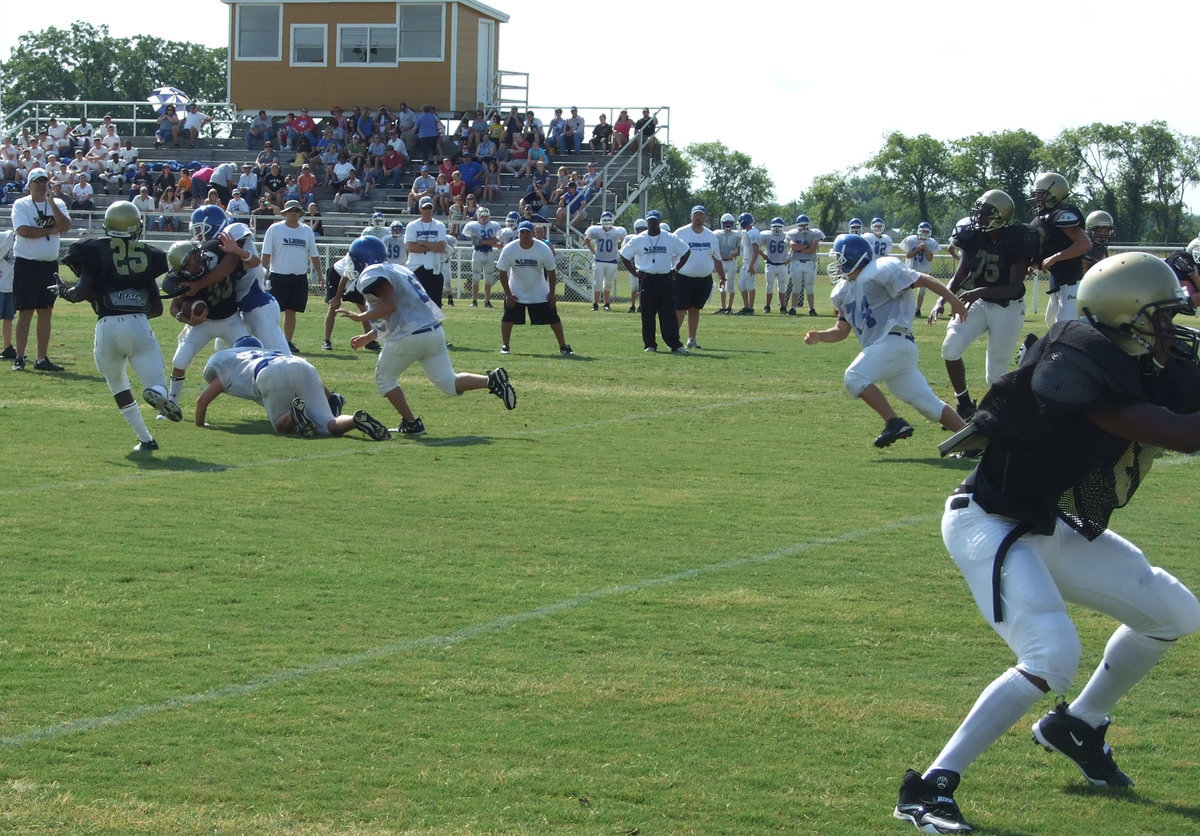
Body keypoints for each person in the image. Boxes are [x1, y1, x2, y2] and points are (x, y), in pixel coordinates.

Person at [895, 253, 1200, 836]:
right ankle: (928, 788)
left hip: (1040, 521)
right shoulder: (1076, 368)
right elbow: (1183, 432)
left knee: (1173, 612)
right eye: (1160, 316)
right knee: (1050, 654)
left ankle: (1079, 724)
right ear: (1125, 314)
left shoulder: (1132, 358)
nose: (1170, 328)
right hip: (988, 522)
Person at [336, 236, 517, 435]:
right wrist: (369, 336)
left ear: (362, 259)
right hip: (433, 332)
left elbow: (390, 305)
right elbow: (401, 311)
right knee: (449, 382)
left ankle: (412, 423)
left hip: (409, 337)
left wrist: (360, 316)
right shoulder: (399, 269)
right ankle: (491, 380)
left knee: (384, 379)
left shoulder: (370, 274)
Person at [805, 233, 968, 448]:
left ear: (853, 257)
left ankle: (893, 422)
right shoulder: (842, 290)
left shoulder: (880, 269)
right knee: (930, 406)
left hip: (894, 341)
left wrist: (954, 301)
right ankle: (977, 441)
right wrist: (821, 336)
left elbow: (924, 280)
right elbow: (842, 330)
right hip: (890, 354)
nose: (836, 263)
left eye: (840, 258)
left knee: (854, 377)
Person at [53, 202, 178, 451]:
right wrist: (131, 307)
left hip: (106, 326)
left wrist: (63, 291)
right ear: (135, 227)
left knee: (118, 385)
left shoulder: (93, 250)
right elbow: (156, 309)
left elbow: (79, 293)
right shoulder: (149, 255)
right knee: (157, 381)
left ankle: (145, 439)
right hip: (137, 324)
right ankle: (156, 393)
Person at [932, 190, 1039, 421]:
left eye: (985, 212)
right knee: (950, 348)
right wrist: (943, 299)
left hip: (1007, 308)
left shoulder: (1016, 239)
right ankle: (964, 405)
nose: (978, 217)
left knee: (995, 377)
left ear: (1000, 215)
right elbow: (960, 275)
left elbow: (1014, 286)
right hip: (978, 303)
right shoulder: (974, 237)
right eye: (979, 211)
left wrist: (978, 291)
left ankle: (1000, 418)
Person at [196, 336, 390, 440]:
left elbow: (202, 401)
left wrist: (200, 423)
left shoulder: (231, 361)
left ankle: (293, 413)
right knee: (328, 424)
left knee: (282, 426)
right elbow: (323, 389)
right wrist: (330, 398)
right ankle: (355, 421)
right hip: (300, 364)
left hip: (268, 373)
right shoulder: (271, 351)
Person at [163, 219, 253, 409]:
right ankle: (171, 402)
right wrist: (186, 319)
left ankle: (262, 395)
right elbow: (174, 308)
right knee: (180, 359)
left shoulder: (215, 252)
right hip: (203, 323)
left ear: (198, 252)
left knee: (252, 354)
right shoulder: (183, 280)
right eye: (188, 265)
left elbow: (228, 267)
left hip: (230, 319)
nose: (194, 265)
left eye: (194, 258)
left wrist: (198, 285)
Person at [10, 167, 70, 372]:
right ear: (30, 185)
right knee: (25, 311)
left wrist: (52, 202)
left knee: (46, 310)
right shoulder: (21, 204)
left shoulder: (58, 203)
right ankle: (19, 357)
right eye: (37, 181)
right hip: (27, 263)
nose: (41, 185)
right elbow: (24, 231)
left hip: (49, 265)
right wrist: (51, 230)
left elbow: (66, 225)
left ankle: (42, 358)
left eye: (44, 181)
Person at [495, 220, 575, 357]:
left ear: (532, 234)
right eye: (522, 232)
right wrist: (508, 294)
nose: (525, 235)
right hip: (516, 291)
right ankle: (505, 345)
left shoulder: (543, 248)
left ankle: (563, 346)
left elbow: (551, 271)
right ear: (518, 233)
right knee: (507, 318)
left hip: (539, 291)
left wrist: (552, 293)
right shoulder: (509, 249)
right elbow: (502, 272)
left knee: (553, 318)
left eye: (528, 232)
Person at [620, 210, 690, 354]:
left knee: (669, 314)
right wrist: (635, 272)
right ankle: (650, 344)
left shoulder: (670, 237)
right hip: (647, 279)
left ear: (659, 222)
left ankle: (675, 344)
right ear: (647, 223)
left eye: (655, 222)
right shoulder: (638, 239)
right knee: (647, 314)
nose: (653, 224)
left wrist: (675, 269)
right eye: (650, 222)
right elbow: (624, 256)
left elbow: (686, 251)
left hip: (665, 278)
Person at [1030, 172, 1091, 324]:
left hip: (1071, 283)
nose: (1037, 198)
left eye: (1040, 194)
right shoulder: (1044, 218)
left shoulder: (1062, 214)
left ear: (1054, 194)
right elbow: (1051, 244)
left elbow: (1084, 244)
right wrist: (1035, 263)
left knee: (1064, 327)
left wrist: (1055, 257)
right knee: (1051, 321)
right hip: (1059, 282)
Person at [262, 200, 321, 353]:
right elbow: (266, 253)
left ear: (300, 213)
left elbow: (313, 254)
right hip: (279, 276)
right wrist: (262, 273)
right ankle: (272, 341)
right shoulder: (275, 229)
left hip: (299, 277)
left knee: (291, 311)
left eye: (296, 211)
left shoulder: (306, 231)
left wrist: (320, 274)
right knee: (274, 311)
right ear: (285, 213)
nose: (293, 213)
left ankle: (287, 342)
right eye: (290, 211)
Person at [673, 206, 726, 349]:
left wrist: (722, 277)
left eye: (701, 215)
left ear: (705, 217)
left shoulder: (710, 236)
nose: (698, 218)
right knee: (680, 309)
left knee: (695, 309)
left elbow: (717, 258)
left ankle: (692, 339)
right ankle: (673, 340)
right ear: (691, 216)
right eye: (695, 215)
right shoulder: (681, 233)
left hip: (703, 279)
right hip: (683, 277)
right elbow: (671, 253)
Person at [405, 197, 449, 307]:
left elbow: (441, 247)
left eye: (429, 207)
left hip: (434, 268)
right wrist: (433, 246)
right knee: (416, 304)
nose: (427, 210)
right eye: (425, 208)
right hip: (416, 268)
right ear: (420, 209)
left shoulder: (439, 225)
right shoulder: (412, 225)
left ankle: (436, 325)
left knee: (435, 305)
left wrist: (424, 243)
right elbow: (411, 247)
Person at [584, 211, 627, 312]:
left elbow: (625, 241)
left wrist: (621, 250)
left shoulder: (617, 231)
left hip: (612, 261)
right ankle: (595, 304)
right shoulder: (596, 230)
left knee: (608, 283)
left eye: (608, 220)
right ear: (601, 221)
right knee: (597, 283)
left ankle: (607, 304)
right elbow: (586, 239)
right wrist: (593, 251)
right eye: (605, 220)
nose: (607, 222)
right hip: (599, 260)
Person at [461, 207, 501, 307]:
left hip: (489, 253)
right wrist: (488, 241)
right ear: (478, 216)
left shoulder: (494, 226)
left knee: (488, 278)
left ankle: (487, 301)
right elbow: (475, 242)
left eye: (486, 217)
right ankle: (474, 300)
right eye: (482, 216)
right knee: (475, 277)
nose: (484, 219)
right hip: (478, 253)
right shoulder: (473, 226)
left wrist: (481, 241)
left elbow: (495, 242)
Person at [785, 214, 824, 316]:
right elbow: (793, 245)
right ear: (798, 225)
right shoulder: (793, 233)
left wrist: (801, 248)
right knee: (796, 287)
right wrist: (806, 247)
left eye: (805, 225)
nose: (803, 227)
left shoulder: (815, 233)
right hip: (796, 263)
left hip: (809, 263)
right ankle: (793, 308)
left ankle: (811, 309)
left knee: (810, 287)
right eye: (801, 225)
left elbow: (812, 249)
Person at [903, 222, 940, 318]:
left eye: (926, 231)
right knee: (906, 289)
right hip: (911, 268)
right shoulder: (911, 240)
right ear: (919, 231)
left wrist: (926, 249)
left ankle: (918, 309)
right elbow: (908, 255)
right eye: (923, 231)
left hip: (924, 269)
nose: (924, 233)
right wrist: (917, 249)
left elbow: (930, 258)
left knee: (921, 291)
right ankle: (905, 308)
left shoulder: (931, 242)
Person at [711, 213, 741, 315]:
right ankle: (723, 307)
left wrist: (731, 256)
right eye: (726, 223)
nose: (728, 225)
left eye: (729, 223)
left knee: (731, 284)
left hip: (732, 262)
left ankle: (729, 307)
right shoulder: (717, 234)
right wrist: (720, 255)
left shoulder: (737, 235)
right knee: (722, 284)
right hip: (721, 262)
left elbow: (740, 251)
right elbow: (713, 249)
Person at [760, 217, 791, 314]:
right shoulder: (767, 235)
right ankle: (767, 306)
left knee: (782, 287)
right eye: (775, 227)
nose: (777, 229)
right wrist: (763, 255)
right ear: (771, 227)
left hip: (782, 265)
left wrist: (790, 258)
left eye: (779, 227)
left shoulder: (787, 235)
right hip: (770, 264)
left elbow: (794, 247)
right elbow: (756, 246)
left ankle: (783, 306)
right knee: (769, 286)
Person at [733, 212, 761, 315]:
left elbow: (756, 249)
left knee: (750, 285)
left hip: (750, 262)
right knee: (741, 285)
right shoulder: (747, 233)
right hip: (746, 262)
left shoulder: (753, 233)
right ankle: (746, 306)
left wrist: (752, 265)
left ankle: (751, 308)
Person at [0, 230, 14, 361]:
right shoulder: (3, 237)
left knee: (9, 318)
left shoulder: (22, 244)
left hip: (10, 286)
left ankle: (7, 347)